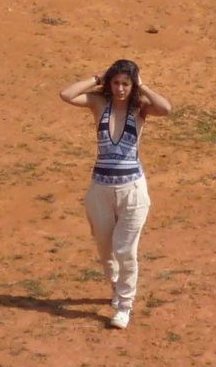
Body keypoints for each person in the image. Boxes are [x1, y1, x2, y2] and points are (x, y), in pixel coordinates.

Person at [58, 58, 172, 328]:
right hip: (100, 188)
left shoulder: (141, 109)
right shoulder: (99, 104)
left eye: (126, 83)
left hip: (132, 189)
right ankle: (116, 288)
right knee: (105, 249)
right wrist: (98, 77)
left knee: (125, 249)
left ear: (133, 86)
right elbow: (66, 94)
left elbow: (166, 108)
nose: (121, 88)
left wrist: (143, 86)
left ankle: (124, 305)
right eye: (117, 82)